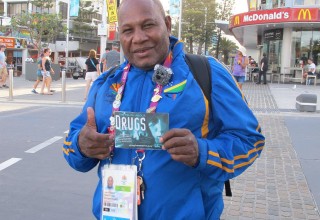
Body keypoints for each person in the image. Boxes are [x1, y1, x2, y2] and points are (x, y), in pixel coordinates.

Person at [63, 0, 265, 219]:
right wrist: (82, 146)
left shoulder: (206, 72)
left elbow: (250, 140)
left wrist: (202, 152)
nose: (138, 38)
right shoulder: (106, 83)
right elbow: (72, 148)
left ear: (167, 25)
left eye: (148, 25)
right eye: (128, 30)